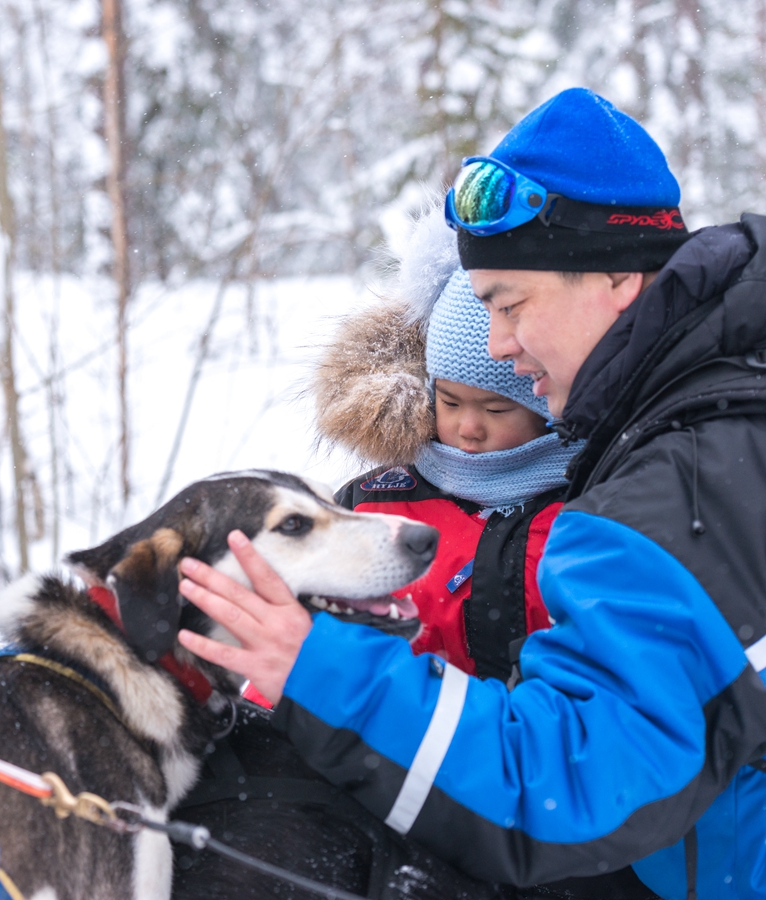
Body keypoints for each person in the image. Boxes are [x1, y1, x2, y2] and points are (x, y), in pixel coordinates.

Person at [175, 87, 766, 899]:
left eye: (508, 303)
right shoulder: (725, 410)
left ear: (618, 281)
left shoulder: (676, 482)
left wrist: (315, 663)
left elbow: (570, 781)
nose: (498, 345)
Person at [310, 219, 580, 679]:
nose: (468, 428)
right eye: (450, 403)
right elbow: (307, 646)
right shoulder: (377, 501)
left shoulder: (589, 500)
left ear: (547, 405)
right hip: (392, 743)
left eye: (497, 410)